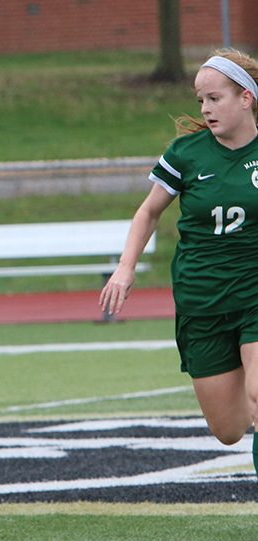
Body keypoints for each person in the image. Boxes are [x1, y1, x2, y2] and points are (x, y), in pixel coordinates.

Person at [99, 48, 258, 478]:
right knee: (227, 429)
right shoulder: (187, 153)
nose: (205, 109)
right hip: (202, 298)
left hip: (255, 292)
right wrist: (125, 267)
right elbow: (148, 212)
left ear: (246, 98)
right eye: (200, 100)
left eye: (214, 98)